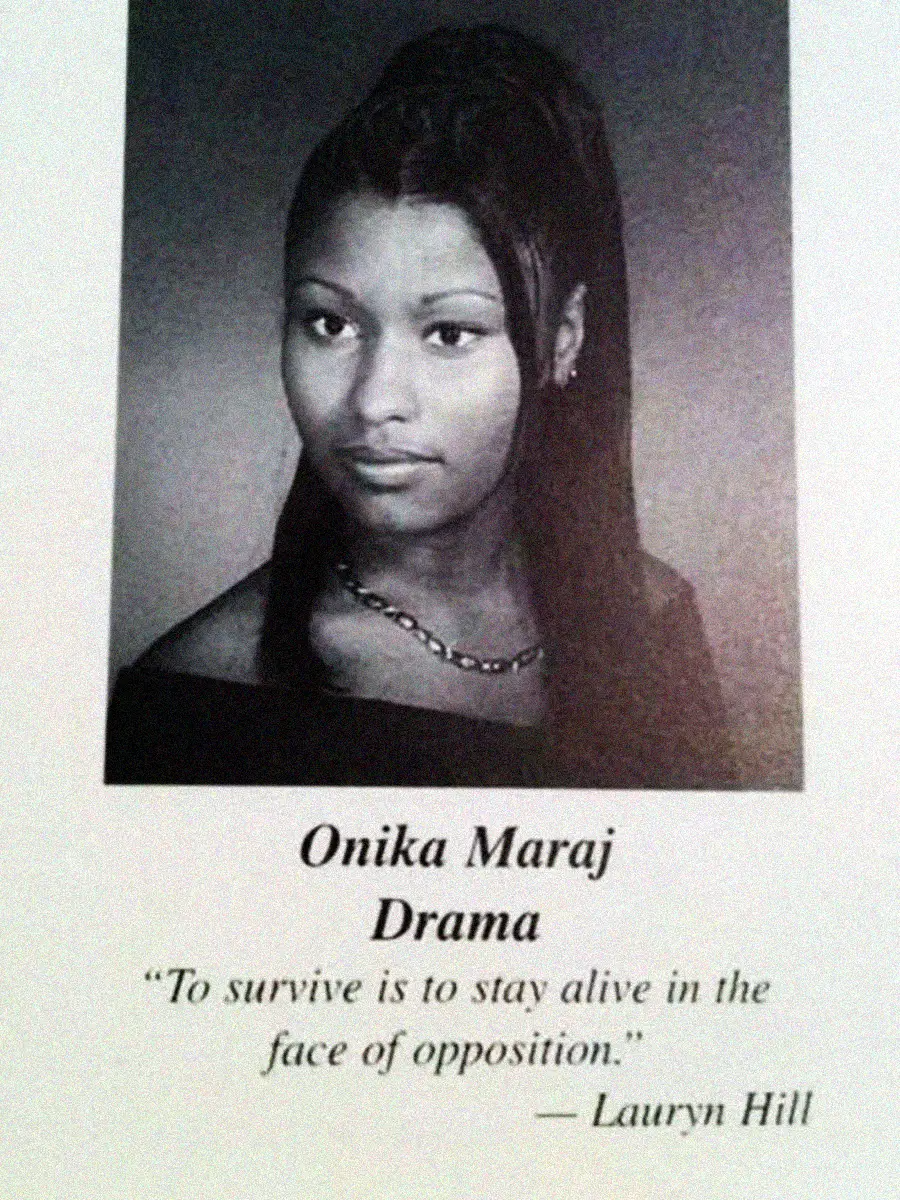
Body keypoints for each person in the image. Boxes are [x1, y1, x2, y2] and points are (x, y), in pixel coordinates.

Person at [106, 24, 736, 787]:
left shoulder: (650, 622)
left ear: (564, 339)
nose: (373, 401)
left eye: (448, 333)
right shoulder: (192, 700)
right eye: (329, 324)